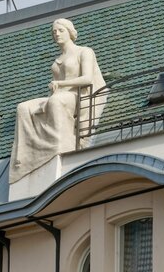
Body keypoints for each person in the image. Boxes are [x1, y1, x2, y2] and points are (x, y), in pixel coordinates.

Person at [10, 18, 106, 183]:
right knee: (23, 107)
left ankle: (60, 144)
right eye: (54, 32)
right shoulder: (57, 59)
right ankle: (26, 153)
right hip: (61, 96)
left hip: (79, 95)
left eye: (60, 30)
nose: (57, 34)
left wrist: (61, 83)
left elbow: (88, 79)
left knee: (55, 102)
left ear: (70, 32)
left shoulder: (84, 51)